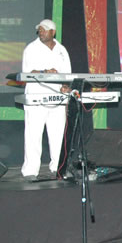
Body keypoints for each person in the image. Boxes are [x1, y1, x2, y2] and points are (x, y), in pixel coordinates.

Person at [21, 19, 71, 181]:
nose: (41, 32)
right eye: (39, 30)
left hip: (57, 99)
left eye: (44, 30)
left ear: (53, 32)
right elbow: (27, 71)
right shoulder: (32, 48)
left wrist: (65, 85)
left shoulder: (61, 50)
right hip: (36, 97)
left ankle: (58, 166)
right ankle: (30, 170)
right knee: (33, 134)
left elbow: (67, 73)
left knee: (58, 135)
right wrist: (45, 71)